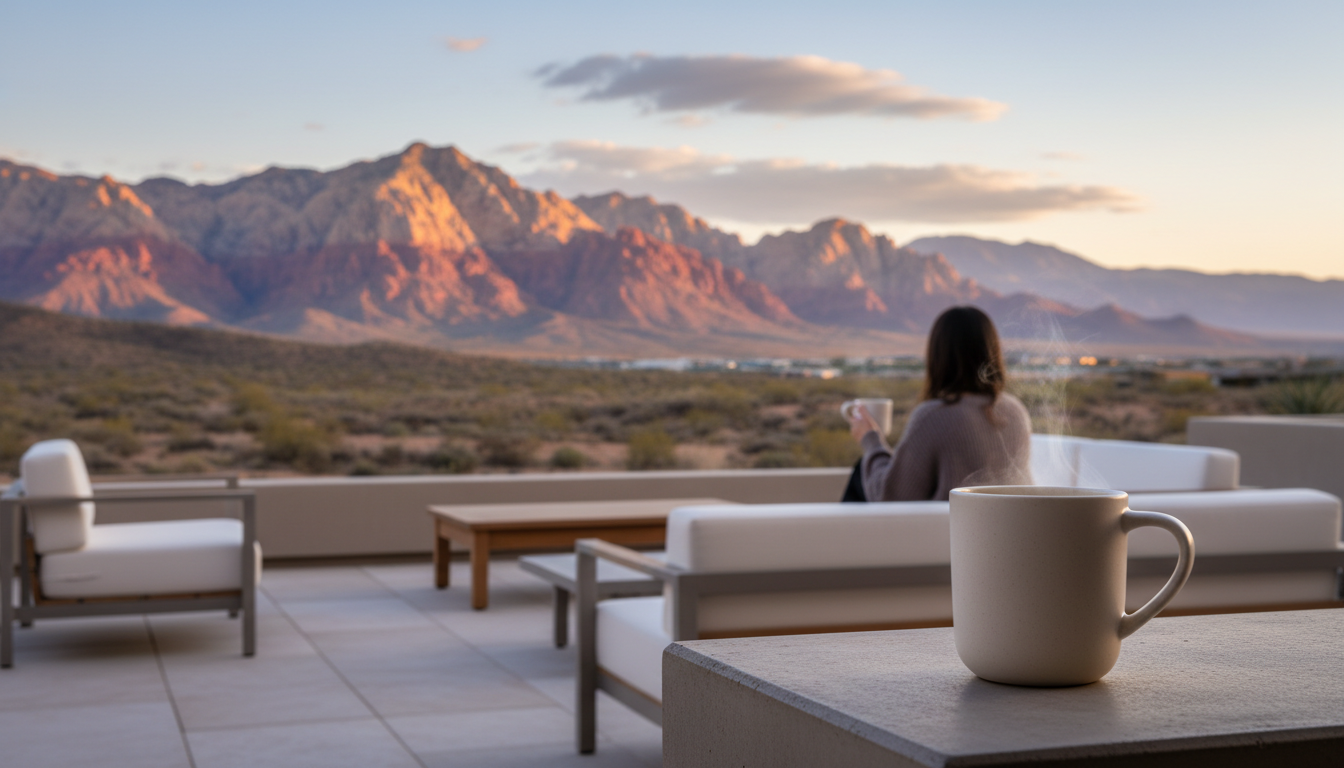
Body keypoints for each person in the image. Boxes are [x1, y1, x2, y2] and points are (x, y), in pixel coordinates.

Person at [842, 306, 1031, 502]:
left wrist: (870, 440)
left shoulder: (935, 415)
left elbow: (889, 498)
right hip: (1010, 529)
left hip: (949, 531)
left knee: (861, 471)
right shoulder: (1016, 411)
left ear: (937, 355)